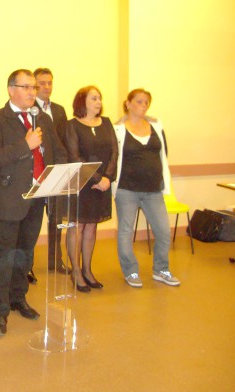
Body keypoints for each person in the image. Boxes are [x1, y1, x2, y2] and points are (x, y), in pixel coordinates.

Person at [0, 69, 67, 336]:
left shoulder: (42, 118)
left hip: (37, 197)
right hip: (10, 200)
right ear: (11, 90)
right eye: (26, 87)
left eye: (34, 87)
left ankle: (18, 298)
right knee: (5, 257)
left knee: (25, 254)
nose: (33, 92)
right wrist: (25, 145)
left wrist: (61, 175)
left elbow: (57, 151)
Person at [113, 88, 180, 287]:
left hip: (153, 190)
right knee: (125, 232)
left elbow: (163, 153)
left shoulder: (156, 126)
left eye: (146, 102)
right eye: (139, 101)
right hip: (126, 189)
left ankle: (161, 269)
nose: (143, 106)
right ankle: (131, 271)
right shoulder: (118, 129)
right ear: (128, 103)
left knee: (163, 231)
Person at [64, 86, 117, 292]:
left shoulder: (107, 123)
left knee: (92, 226)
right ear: (82, 101)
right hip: (81, 184)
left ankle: (87, 269)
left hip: (102, 185)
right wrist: (96, 178)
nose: (98, 102)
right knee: (77, 226)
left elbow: (114, 152)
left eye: (99, 98)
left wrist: (107, 178)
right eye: (94, 98)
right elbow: (74, 157)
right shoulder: (72, 125)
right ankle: (76, 271)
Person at [32, 67, 70, 282]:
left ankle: (56, 259)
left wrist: (64, 169)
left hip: (57, 173)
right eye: (42, 83)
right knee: (32, 222)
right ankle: (27, 265)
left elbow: (64, 141)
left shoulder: (59, 110)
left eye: (49, 83)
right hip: (37, 174)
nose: (47, 87)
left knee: (56, 220)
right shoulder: (29, 110)